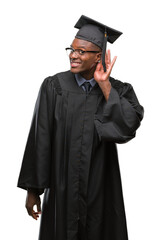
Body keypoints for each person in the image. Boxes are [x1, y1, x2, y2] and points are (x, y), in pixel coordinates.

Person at [17, 15, 144, 240]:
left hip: (101, 188)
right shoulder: (54, 86)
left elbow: (127, 127)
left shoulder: (118, 90)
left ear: (98, 57)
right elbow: (40, 139)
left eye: (82, 51)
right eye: (72, 49)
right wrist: (33, 190)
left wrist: (105, 86)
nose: (73, 55)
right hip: (61, 187)